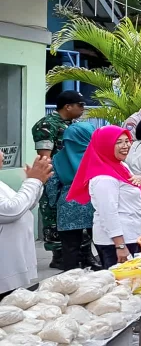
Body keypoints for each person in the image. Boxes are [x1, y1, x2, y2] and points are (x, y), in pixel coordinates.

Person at [66, 126, 141, 270]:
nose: (125, 146)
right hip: (115, 243)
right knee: (122, 284)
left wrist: (140, 179)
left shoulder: (120, 165)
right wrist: (120, 245)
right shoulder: (103, 177)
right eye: (118, 142)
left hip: (131, 235)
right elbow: (108, 213)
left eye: (127, 141)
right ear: (105, 145)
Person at [32, 90, 87, 270]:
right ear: (67, 106)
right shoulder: (47, 125)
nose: (83, 109)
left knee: (77, 218)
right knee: (54, 216)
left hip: (74, 178)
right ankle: (59, 255)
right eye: (80, 105)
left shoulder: (74, 124)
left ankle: (79, 253)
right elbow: (45, 158)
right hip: (55, 179)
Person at [45, 122, 101, 271]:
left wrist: (55, 202)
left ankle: (71, 279)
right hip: (95, 202)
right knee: (101, 243)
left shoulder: (57, 158)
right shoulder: (98, 155)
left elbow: (52, 184)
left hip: (68, 203)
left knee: (69, 248)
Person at [0, 153, 52, 295]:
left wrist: (37, 182)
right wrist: (33, 181)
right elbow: (12, 210)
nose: (2, 154)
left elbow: (24, 205)